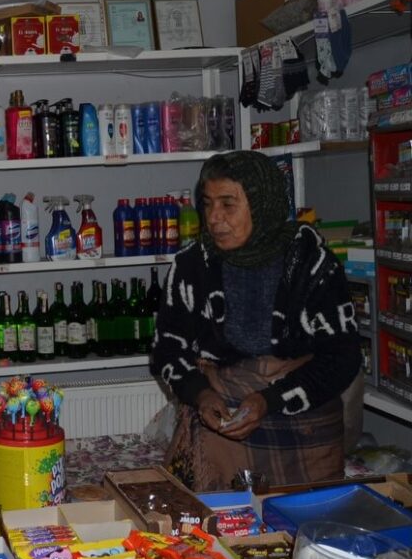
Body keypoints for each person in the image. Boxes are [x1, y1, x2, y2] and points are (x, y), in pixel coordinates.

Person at [153, 150, 360, 491]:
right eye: (207, 204)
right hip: (222, 435)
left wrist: (271, 399)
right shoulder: (192, 267)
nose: (214, 218)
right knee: (221, 517)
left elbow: (343, 357)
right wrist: (200, 395)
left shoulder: (309, 264)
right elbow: (167, 351)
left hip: (303, 436)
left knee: (307, 516)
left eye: (228, 204)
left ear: (262, 204)